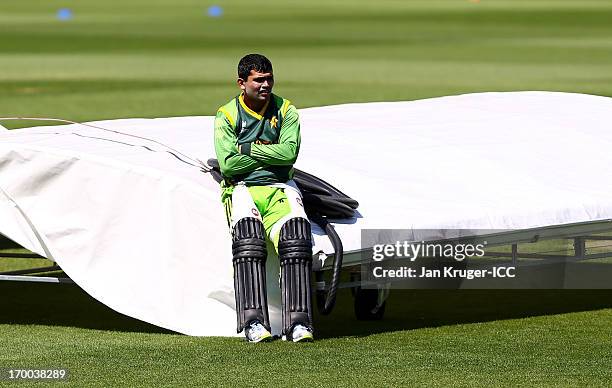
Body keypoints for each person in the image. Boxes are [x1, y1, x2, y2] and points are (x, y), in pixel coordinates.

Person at [213, 54, 314, 343]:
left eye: (269, 78)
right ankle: (254, 323)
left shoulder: (286, 110)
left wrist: (248, 149)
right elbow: (229, 165)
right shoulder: (227, 115)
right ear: (242, 83)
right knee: (249, 240)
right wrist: (268, 153)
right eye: (259, 80)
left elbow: (288, 156)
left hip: (280, 186)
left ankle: (298, 324)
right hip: (242, 187)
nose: (265, 84)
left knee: (296, 237)